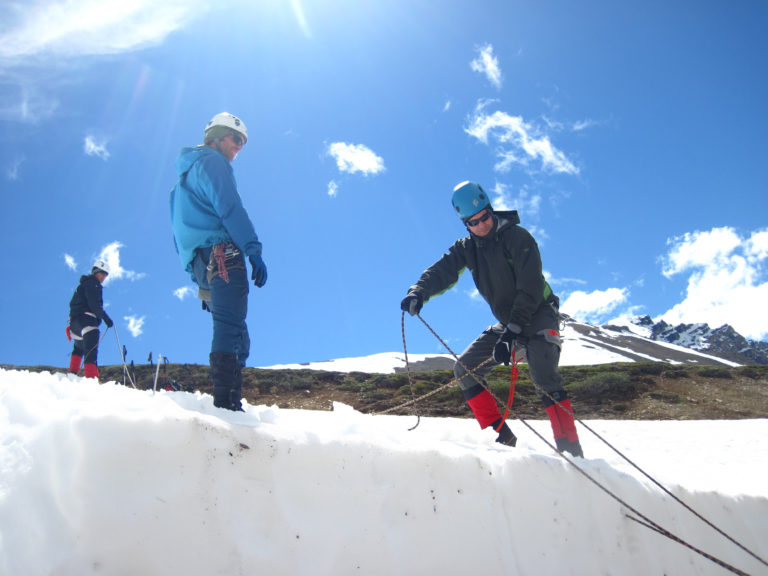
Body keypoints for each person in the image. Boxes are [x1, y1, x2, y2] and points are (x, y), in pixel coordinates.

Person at [400, 181, 584, 457]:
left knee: (545, 377)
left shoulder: (518, 238)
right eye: (473, 222)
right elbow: (442, 271)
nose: (481, 225)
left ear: (491, 210)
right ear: (465, 224)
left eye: (485, 217)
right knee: (464, 370)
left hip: (538, 314)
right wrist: (418, 293)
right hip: (508, 322)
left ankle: (572, 454)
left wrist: (512, 332)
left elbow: (530, 288)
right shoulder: (466, 248)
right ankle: (502, 439)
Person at [170, 112, 268, 411]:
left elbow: (179, 236)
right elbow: (229, 207)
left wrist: (199, 279)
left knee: (239, 335)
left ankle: (228, 402)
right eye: (236, 139)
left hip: (205, 264)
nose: (239, 147)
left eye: (243, 143)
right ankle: (227, 406)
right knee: (231, 328)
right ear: (217, 137)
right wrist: (253, 249)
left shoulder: (181, 184)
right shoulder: (213, 162)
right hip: (224, 255)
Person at [67, 259, 114, 380]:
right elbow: (94, 304)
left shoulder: (82, 285)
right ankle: (91, 379)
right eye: (102, 273)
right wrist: (106, 318)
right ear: (96, 272)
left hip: (74, 325)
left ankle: (72, 375)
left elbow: (73, 304)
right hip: (87, 321)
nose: (104, 277)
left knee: (78, 348)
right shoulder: (93, 284)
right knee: (91, 351)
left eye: (106, 274)